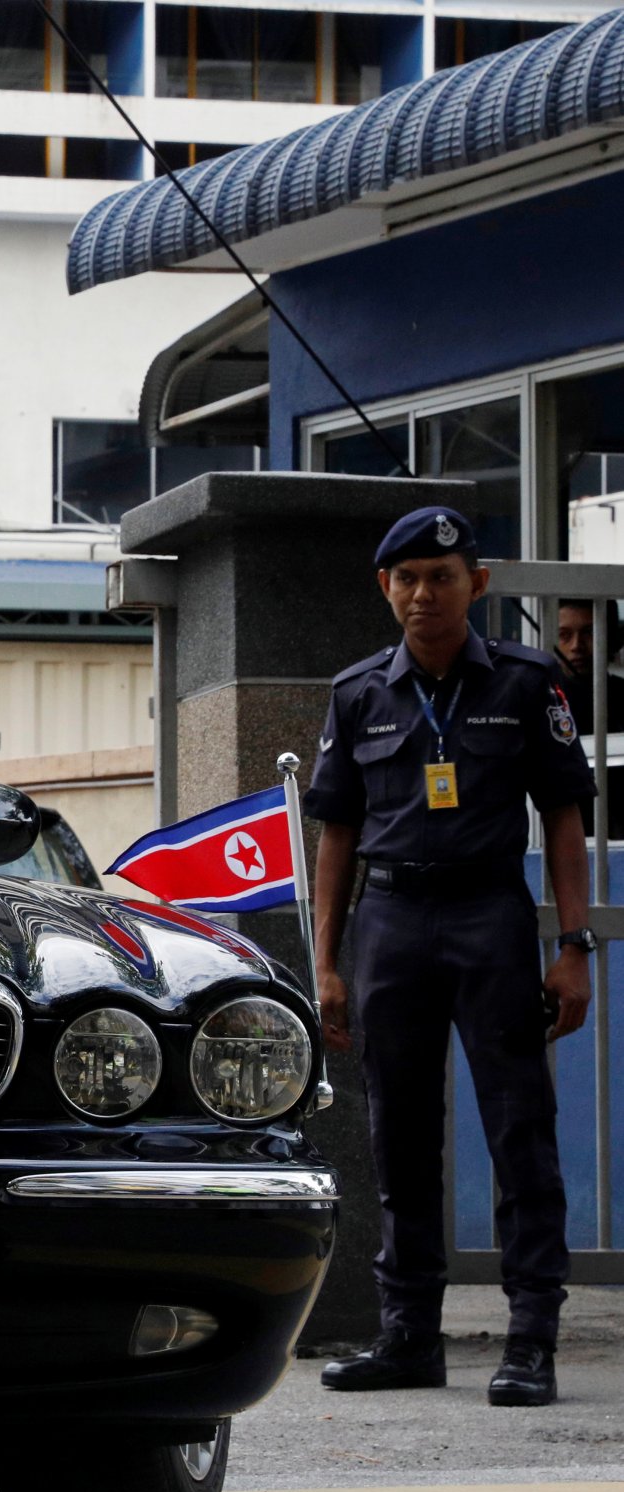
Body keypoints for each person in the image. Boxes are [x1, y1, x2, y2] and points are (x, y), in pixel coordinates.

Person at [306, 505, 598, 1409]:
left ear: (478, 583)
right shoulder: (358, 693)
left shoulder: (527, 681)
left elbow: (562, 816)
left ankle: (531, 1340)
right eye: (407, 578)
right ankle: (408, 1337)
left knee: (520, 1128)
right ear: (385, 587)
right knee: (399, 1131)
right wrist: (325, 961)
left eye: (442, 576)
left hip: (488, 918)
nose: (424, 594)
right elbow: (337, 836)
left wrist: (574, 945)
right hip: (390, 923)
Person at [552, 597, 624, 736]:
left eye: (589, 633)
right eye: (564, 635)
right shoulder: (538, 700)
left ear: (614, 638)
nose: (576, 646)